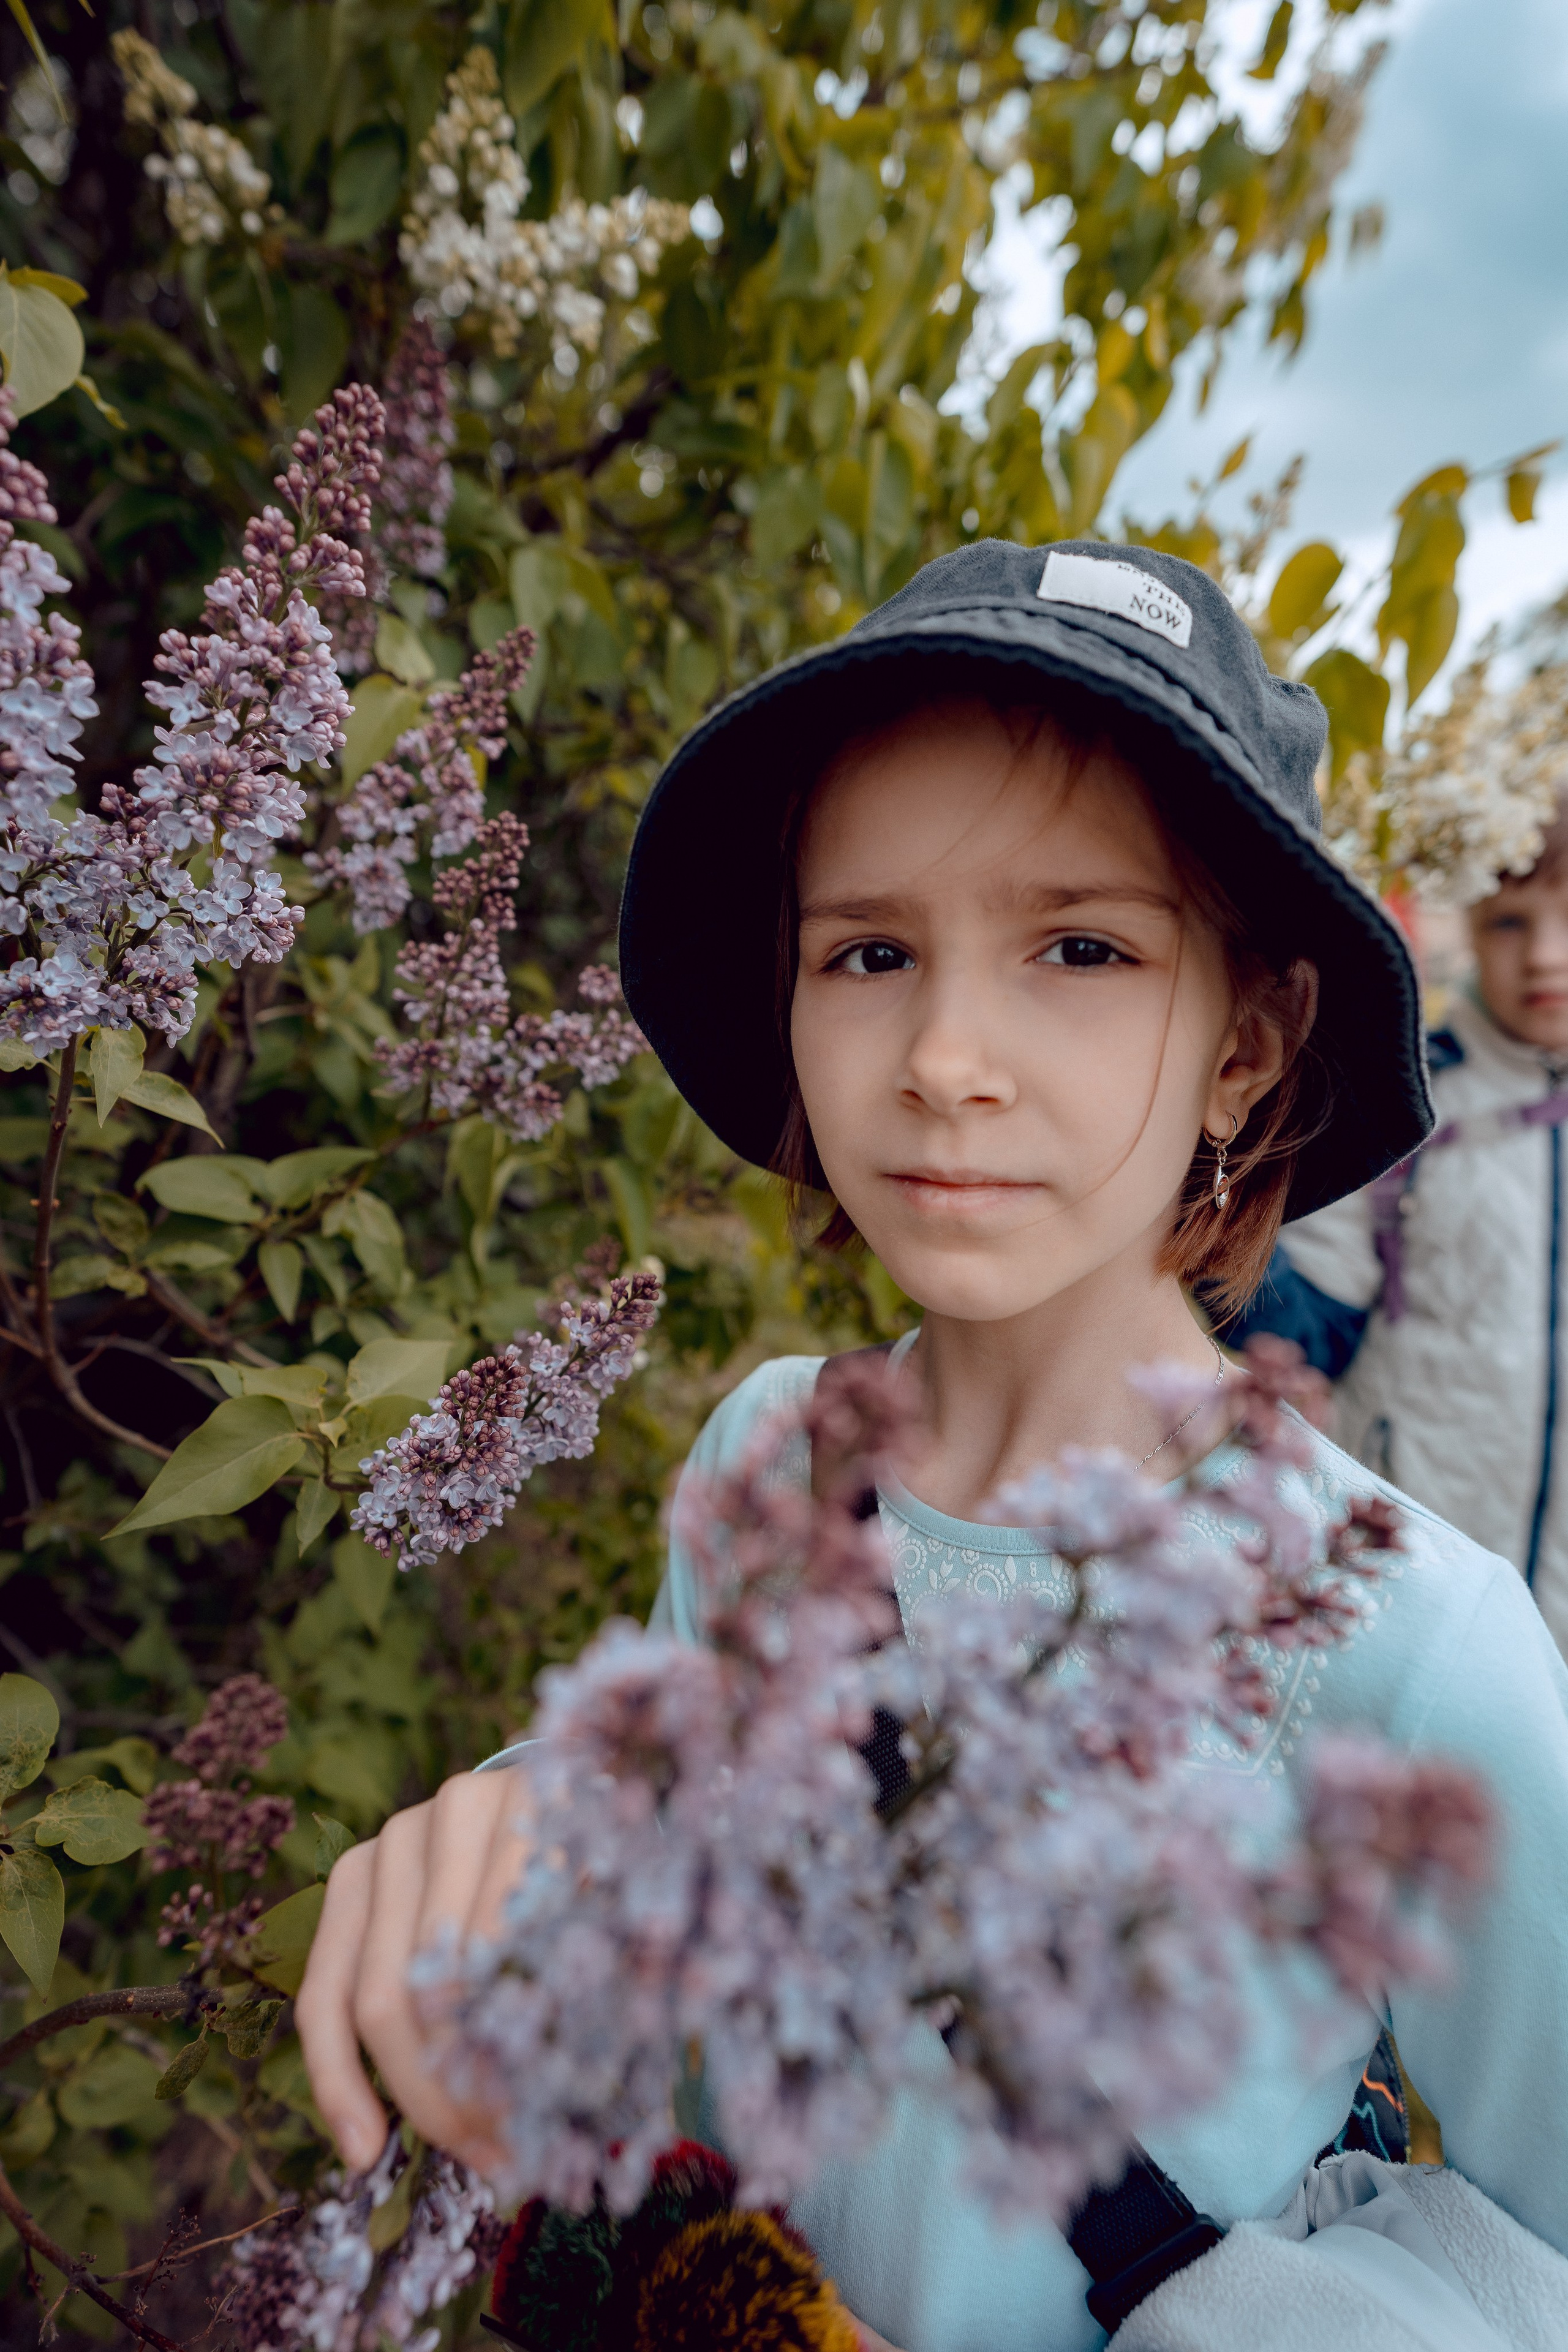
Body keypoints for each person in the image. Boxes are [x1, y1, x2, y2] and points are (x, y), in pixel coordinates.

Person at [296, 543, 1568, 2352]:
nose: (945, 1056)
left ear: (1246, 1045)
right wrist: (531, 1814)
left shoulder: (1413, 1646)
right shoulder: (776, 1455)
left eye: (1082, 948)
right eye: (870, 951)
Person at [1224, 807, 1568, 1659]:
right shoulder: (1404, 1102)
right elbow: (1303, 1334)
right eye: (1510, 923)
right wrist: (1210, 1201)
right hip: (1422, 1593)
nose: (1545, 955)